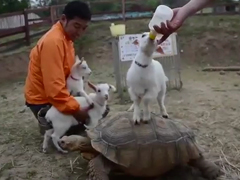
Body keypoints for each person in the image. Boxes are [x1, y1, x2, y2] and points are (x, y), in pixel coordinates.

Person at [24, 0, 107, 135]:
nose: (80, 32)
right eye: (76, 26)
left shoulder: (67, 39)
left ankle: (56, 123)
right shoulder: (53, 42)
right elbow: (54, 89)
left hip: (59, 95)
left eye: (84, 28)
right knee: (87, 119)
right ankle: (47, 120)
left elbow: (69, 76)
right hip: (43, 100)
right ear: (63, 19)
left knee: (100, 106)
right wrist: (75, 110)